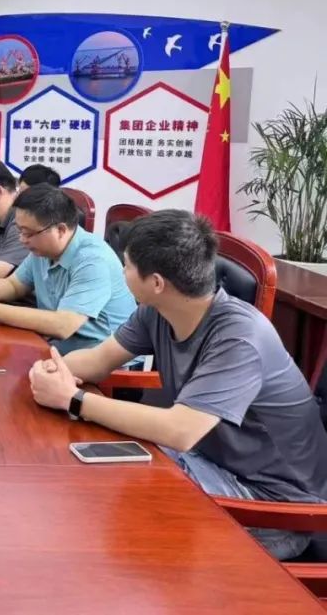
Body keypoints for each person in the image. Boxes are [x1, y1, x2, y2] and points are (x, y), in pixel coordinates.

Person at [28, 210, 327, 560]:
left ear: (156, 282)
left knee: (115, 520)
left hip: (274, 505)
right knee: (91, 479)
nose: (121, 273)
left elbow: (181, 430)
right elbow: (98, 360)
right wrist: (52, 369)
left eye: (126, 266)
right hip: (206, 462)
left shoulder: (240, 337)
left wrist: (74, 400)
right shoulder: (156, 311)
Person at [0, 184, 135, 353]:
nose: (22, 240)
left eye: (28, 233)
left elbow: (63, 325)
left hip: (102, 360)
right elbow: (14, 285)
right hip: (56, 346)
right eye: (20, 231)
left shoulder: (93, 260)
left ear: (61, 230)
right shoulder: (43, 249)